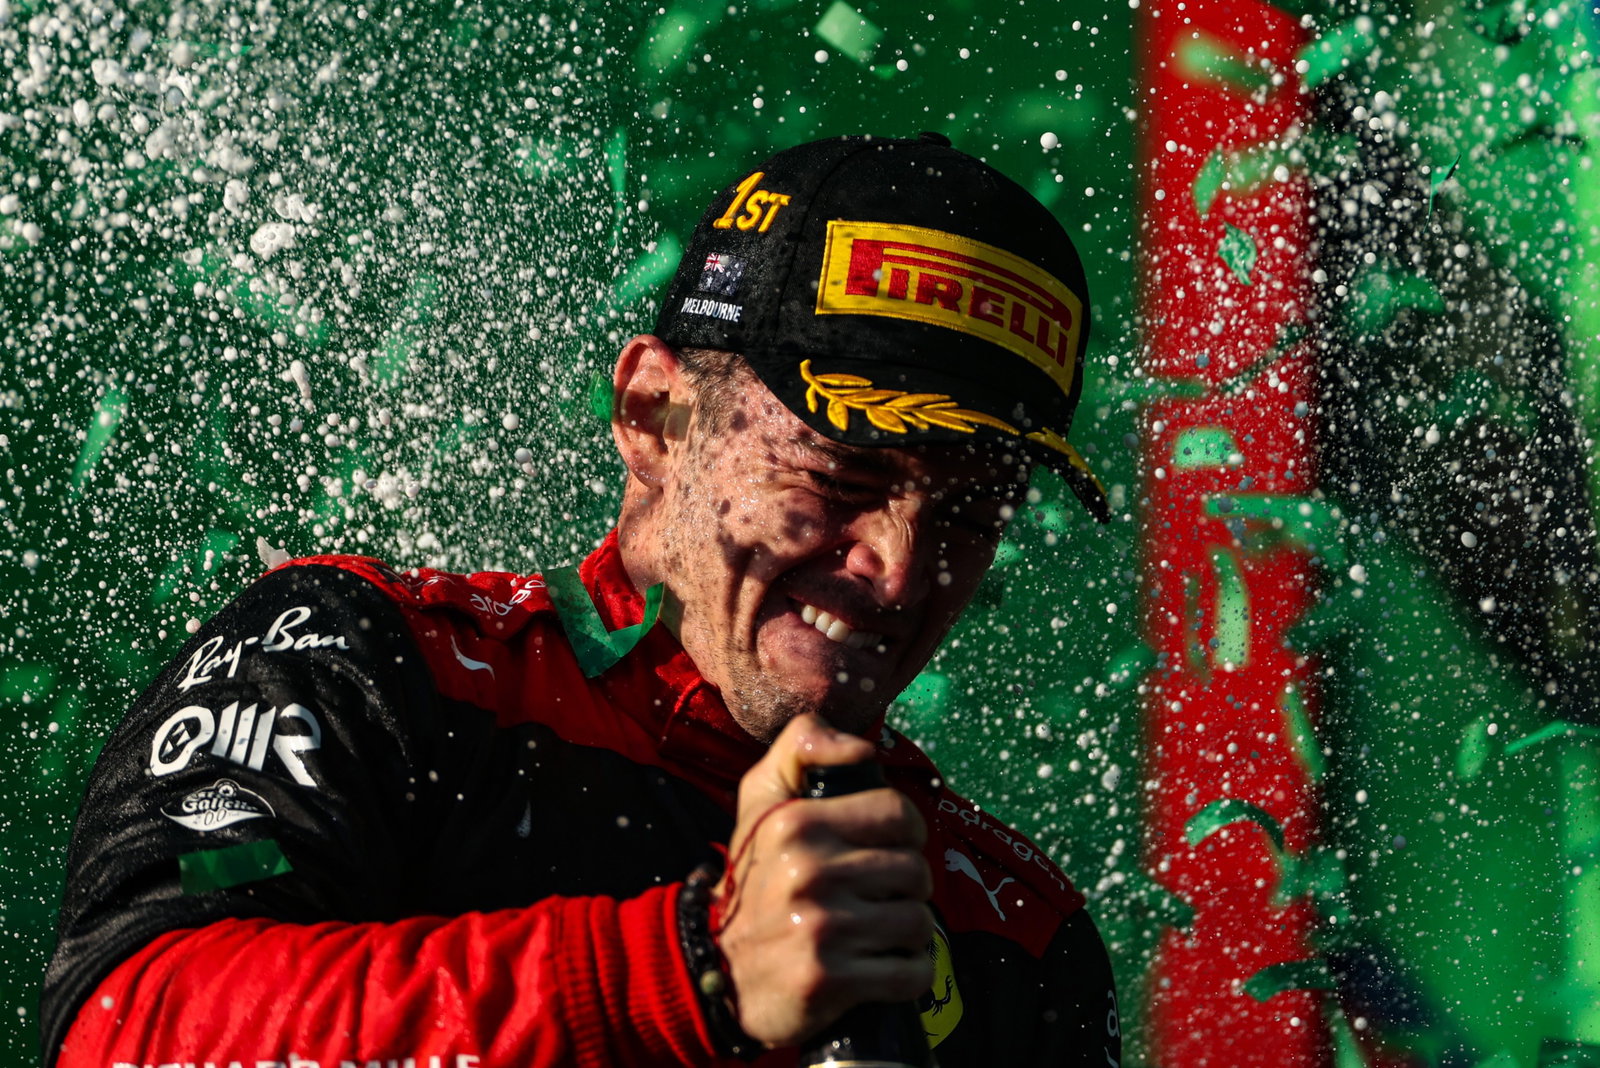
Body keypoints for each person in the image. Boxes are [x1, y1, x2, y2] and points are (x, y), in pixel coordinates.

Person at [41, 133, 1120, 1068]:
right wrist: (690, 971)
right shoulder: (366, 661)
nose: (897, 565)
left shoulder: (1015, 929)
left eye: (973, 515)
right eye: (841, 480)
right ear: (654, 415)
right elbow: (128, 1026)